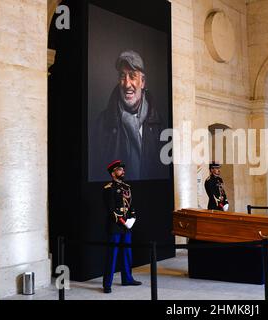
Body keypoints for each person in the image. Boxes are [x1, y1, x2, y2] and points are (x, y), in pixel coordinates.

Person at [92, 50, 166, 181]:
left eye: (132, 76)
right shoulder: (102, 123)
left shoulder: (159, 123)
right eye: (122, 76)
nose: (127, 84)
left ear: (142, 82)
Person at [102, 160, 142, 294]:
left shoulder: (127, 187)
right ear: (113, 173)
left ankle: (127, 278)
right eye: (119, 169)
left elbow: (131, 205)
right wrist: (123, 222)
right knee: (112, 256)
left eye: (123, 169)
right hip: (116, 226)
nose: (123, 171)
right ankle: (107, 283)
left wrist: (133, 218)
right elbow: (111, 209)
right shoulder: (109, 188)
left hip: (126, 226)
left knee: (127, 254)